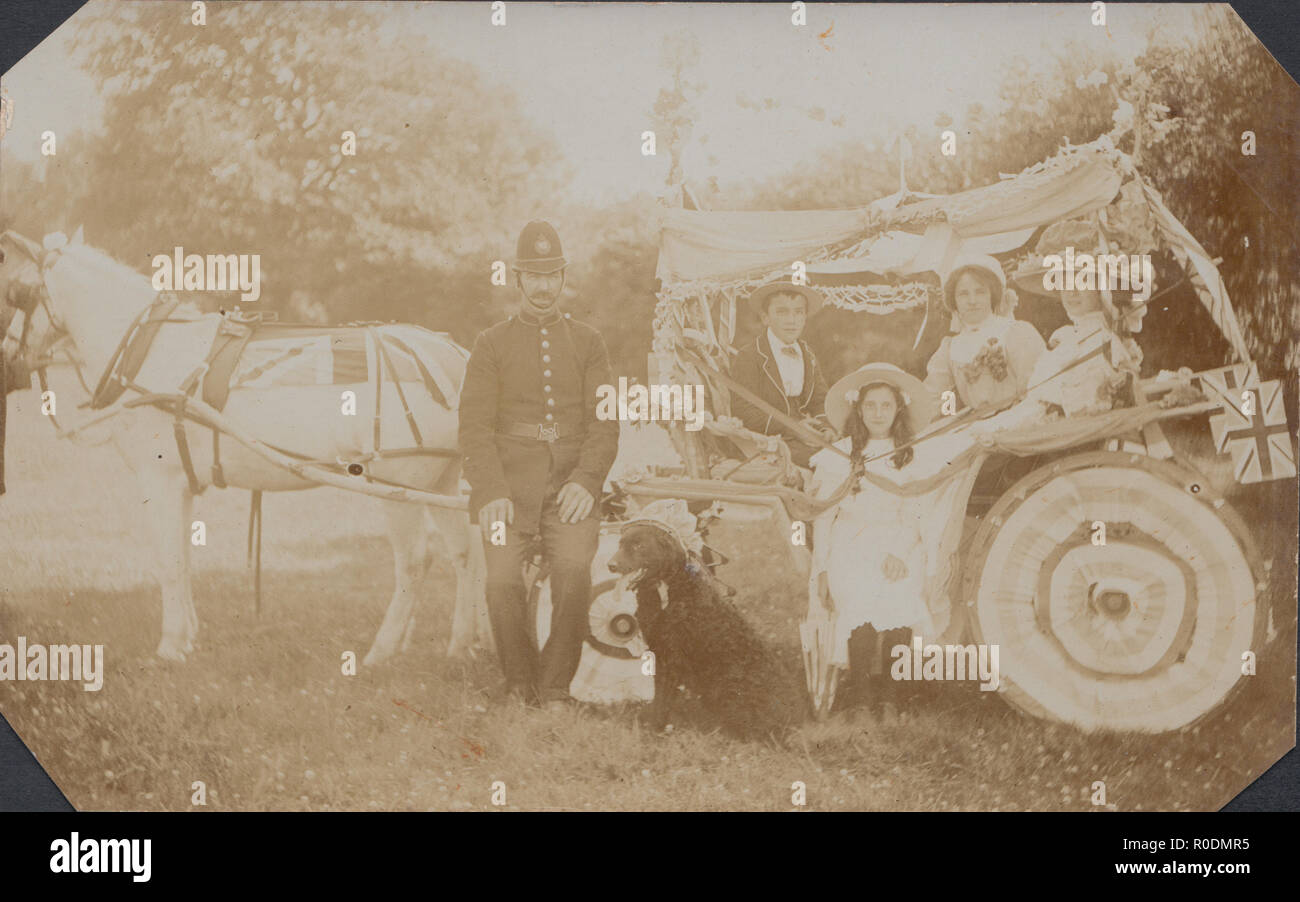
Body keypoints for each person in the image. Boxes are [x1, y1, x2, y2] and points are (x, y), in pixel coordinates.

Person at [458, 220, 620, 710]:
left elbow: (605, 423)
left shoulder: (589, 341)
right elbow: (474, 427)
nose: (544, 286)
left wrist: (587, 482)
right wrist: (490, 492)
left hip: (569, 487)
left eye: (552, 275)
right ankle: (518, 683)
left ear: (564, 278)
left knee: (573, 570)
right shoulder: (491, 343)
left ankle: (554, 688)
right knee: (502, 579)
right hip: (508, 490)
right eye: (533, 274)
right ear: (516, 278)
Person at [808, 363, 938, 716]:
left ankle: (890, 698)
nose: (878, 413)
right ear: (859, 410)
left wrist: (898, 552)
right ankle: (862, 699)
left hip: (899, 540)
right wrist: (820, 568)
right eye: (870, 406)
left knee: (899, 595)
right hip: (850, 541)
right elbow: (824, 516)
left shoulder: (910, 455)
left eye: (885, 406)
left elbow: (916, 514)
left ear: (898, 410)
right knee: (859, 597)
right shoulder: (840, 454)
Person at [923, 253, 1045, 415]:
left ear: (992, 295)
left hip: (1021, 417)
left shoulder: (1015, 332)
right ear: (954, 301)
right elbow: (933, 397)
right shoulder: (950, 347)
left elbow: (1037, 387)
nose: (972, 301)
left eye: (980, 292)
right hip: (977, 426)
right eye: (963, 294)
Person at [728, 278, 831, 467]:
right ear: (765, 317)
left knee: (854, 455)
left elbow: (819, 399)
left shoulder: (807, 353)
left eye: (798, 312)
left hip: (805, 436)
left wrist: (825, 427)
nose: (791, 320)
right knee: (826, 464)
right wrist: (792, 428)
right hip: (767, 442)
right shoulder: (750, 356)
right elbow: (743, 410)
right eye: (782, 312)